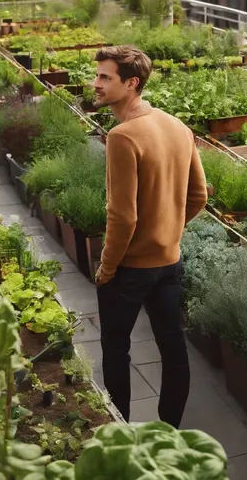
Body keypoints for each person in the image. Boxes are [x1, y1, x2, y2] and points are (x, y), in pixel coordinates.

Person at [92, 45, 208, 427]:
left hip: (129, 269)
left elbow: (122, 216)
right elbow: (199, 197)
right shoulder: (178, 126)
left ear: (132, 83)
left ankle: (121, 433)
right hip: (169, 263)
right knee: (173, 349)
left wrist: (107, 267)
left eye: (106, 77)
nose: (96, 84)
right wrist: (168, 232)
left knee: (115, 350)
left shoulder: (123, 136)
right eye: (98, 75)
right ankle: (169, 432)